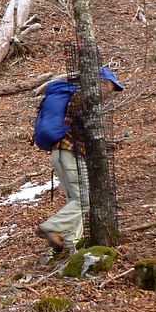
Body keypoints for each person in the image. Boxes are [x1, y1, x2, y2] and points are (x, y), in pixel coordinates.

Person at [37, 65, 124, 254]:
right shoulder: (85, 98)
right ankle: (52, 227)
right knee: (85, 200)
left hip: (62, 153)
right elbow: (83, 129)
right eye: (110, 86)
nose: (110, 92)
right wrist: (100, 144)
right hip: (69, 153)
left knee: (75, 200)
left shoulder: (79, 97)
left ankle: (71, 245)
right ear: (101, 82)